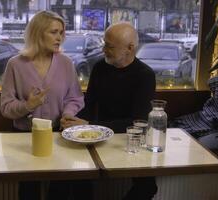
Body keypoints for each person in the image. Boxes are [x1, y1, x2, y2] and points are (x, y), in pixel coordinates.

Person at [61, 22, 157, 200]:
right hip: (99, 136)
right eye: (104, 43)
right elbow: (88, 104)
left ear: (130, 48)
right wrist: (72, 122)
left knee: (148, 186)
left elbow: (138, 122)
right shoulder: (100, 67)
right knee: (75, 175)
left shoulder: (145, 75)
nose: (103, 49)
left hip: (130, 138)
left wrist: (90, 125)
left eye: (109, 46)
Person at [0, 10, 84, 200]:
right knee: (29, 191)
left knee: (60, 191)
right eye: (53, 32)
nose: (60, 38)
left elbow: (75, 98)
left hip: (58, 135)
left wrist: (68, 114)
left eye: (61, 33)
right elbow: (5, 107)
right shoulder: (15, 65)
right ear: (37, 34)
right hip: (25, 137)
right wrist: (27, 105)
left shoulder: (66, 63)